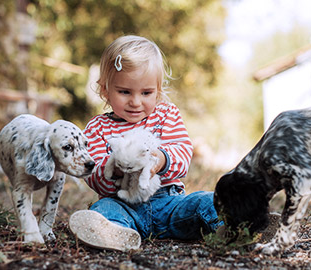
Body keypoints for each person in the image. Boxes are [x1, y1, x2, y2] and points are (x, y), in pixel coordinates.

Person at [69, 35, 223, 251]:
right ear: (105, 90)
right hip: (122, 203)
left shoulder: (167, 115)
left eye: (146, 93)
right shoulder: (97, 127)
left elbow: (182, 155)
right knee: (103, 209)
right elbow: (93, 174)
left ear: (158, 91)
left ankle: (233, 226)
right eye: (124, 92)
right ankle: (117, 234)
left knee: (204, 202)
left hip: (169, 203)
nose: (135, 101)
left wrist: (160, 160)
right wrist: (120, 169)